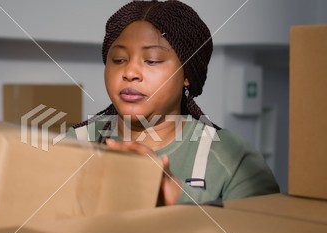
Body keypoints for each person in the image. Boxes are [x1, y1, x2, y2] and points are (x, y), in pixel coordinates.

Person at [67, 0, 279, 206]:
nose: (130, 73)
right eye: (119, 59)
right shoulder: (71, 145)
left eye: (152, 60)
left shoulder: (234, 160)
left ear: (186, 74)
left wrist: (179, 201)